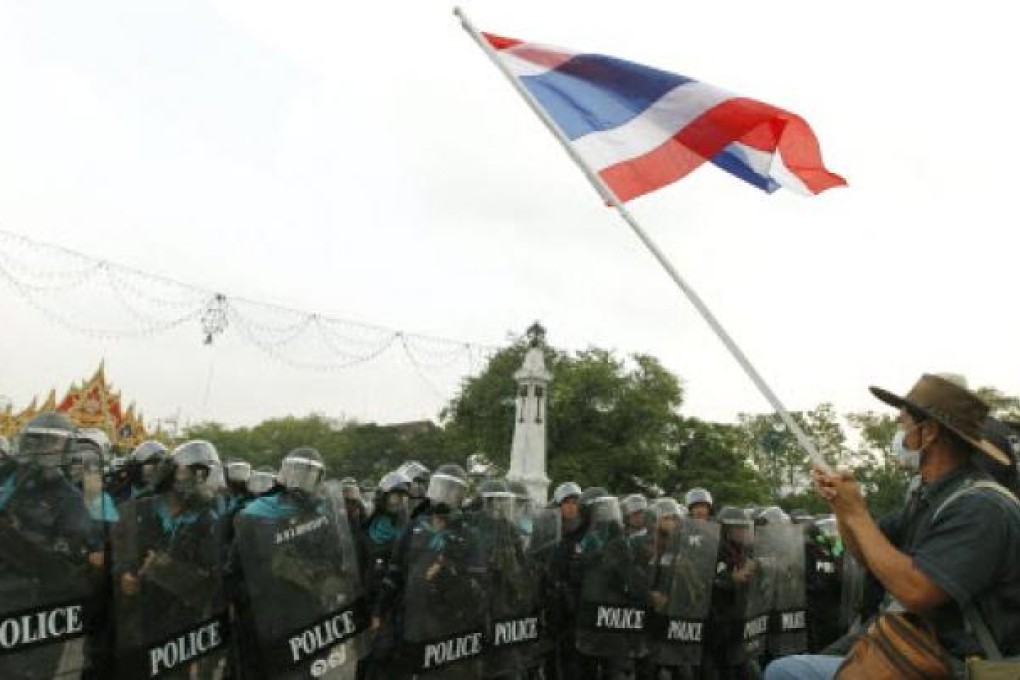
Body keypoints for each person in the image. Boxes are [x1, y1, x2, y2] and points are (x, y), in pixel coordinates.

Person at [765, 373, 1020, 679]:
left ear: (928, 433)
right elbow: (868, 555)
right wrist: (842, 508)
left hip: (956, 665)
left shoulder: (981, 507)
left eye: (904, 423)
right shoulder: (929, 496)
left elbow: (916, 591)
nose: (899, 431)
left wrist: (857, 513)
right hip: (915, 651)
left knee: (788, 673)